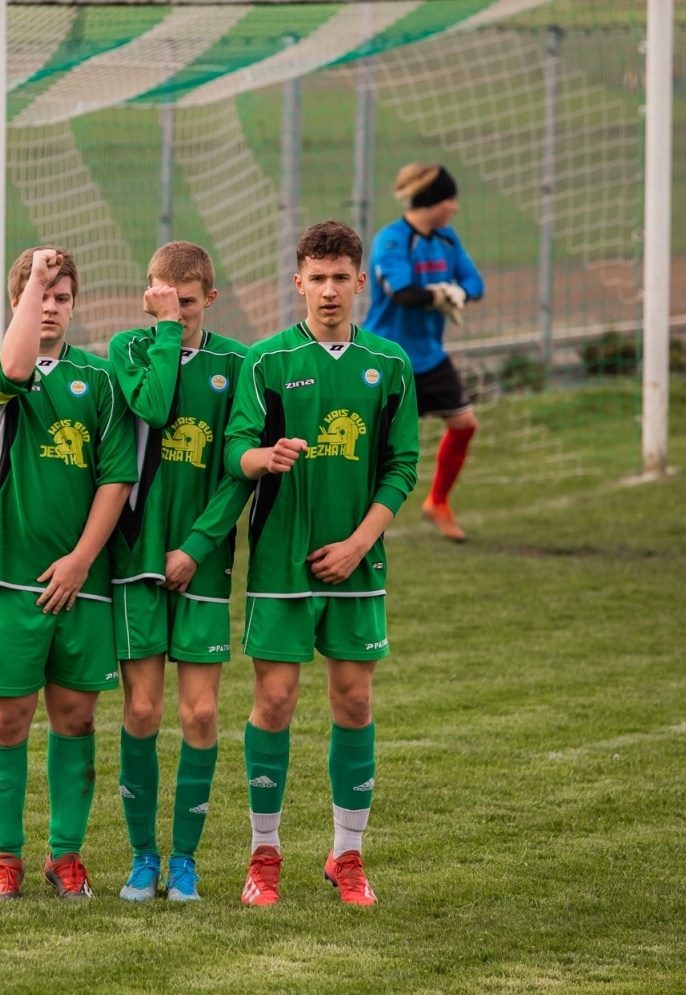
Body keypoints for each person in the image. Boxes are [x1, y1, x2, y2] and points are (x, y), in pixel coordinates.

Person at [224, 220, 419, 907]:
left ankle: (347, 855)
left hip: (356, 564)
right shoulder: (267, 362)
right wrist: (262, 458)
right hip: (281, 563)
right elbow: (237, 447)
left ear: (360, 282)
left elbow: (401, 466)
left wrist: (360, 543)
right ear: (297, 281)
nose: (330, 290)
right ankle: (264, 855)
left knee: (355, 700)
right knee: (273, 703)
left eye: (342, 277)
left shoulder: (390, 364)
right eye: (318, 277)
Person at [0, 247, 137, 902]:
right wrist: (33, 277)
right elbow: (13, 364)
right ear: (19, 303)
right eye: (41, 295)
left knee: (76, 721)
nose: (52, 307)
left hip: (83, 585)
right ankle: (5, 858)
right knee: (6, 723)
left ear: (75, 304)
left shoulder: (101, 381)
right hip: (7, 583)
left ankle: (67, 857)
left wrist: (82, 559)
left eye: (63, 297)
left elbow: (116, 477)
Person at [105, 242, 254, 903]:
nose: (174, 311)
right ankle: (143, 859)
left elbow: (236, 471)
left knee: (199, 716)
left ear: (209, 299)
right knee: (140, 710)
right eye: (161, 298)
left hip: (203, 565)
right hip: (134, 559)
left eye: (186, 303)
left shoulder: (236, 365)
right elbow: (158, 407)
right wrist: (165, 332)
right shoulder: (129, 352)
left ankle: (185, 862)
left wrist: (195, 545)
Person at [363, 163, 485, 542]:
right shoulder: (393, 241)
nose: (455, 207)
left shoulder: (447, 240)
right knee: (370, 446)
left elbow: (475, 283)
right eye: (450, 199)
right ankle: (352, 516)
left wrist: (459, 293)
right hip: (384, 361)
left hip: (429, 358)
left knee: (464, 425)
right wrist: (440, 294)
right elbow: (402, 293)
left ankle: (438, 503)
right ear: (432, 201)